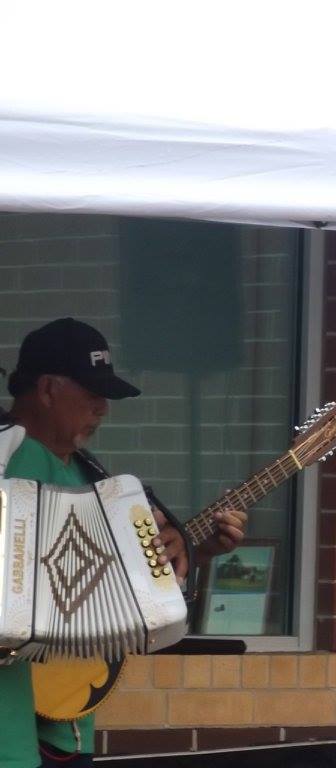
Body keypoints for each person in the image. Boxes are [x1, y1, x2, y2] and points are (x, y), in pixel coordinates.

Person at [0, 318, 247, 768]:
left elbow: (116, 594)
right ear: (48, 389)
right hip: (14, 723)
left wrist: (193, 549)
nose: (102, 410)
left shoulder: (89, 473)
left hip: (69, 710)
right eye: (93, 394)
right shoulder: (11, 458)